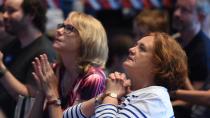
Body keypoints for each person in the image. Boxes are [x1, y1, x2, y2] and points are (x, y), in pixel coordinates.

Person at [32, 32, 187, 118]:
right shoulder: (131, 94)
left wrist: (111, 95)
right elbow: (67, 116)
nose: (132, 49)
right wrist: (103, 97)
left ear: (158, 64)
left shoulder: (156, 98)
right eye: (135, 45)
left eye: (142, 48)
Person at [30, 11, 108, 118]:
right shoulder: (55, 69)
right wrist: (41, 92)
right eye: (62, 26)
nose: (58, 31)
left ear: (87, 39)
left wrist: (52, 93)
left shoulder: (94, 78)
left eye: (69, 28)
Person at [0, 0, 56, 118]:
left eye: (11, 11)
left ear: (31, 14)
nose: (4, 16)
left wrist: (1, 69)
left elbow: (30, 98)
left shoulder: (43, 53)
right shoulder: (14, 45)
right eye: (4, 10)